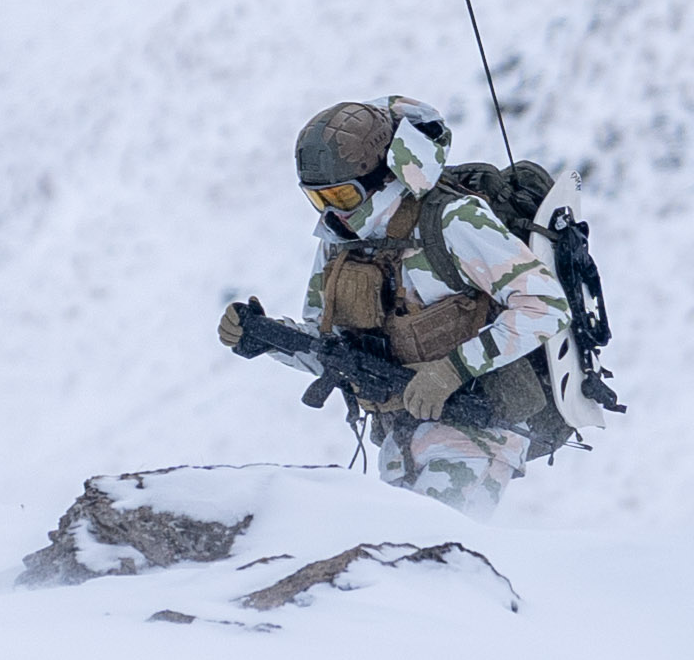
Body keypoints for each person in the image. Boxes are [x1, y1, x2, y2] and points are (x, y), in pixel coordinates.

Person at [219, 100, 595, 514]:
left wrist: (451, 369)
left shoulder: (453, 220)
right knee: (395, 554)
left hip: (478, 426)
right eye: (318, 198)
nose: (333, 210)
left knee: (434, 550)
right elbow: (329, 346)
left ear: (384, 175)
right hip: (400, 434)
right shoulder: (339, 243)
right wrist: (265, 338)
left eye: (343, 194)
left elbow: (544, 304)